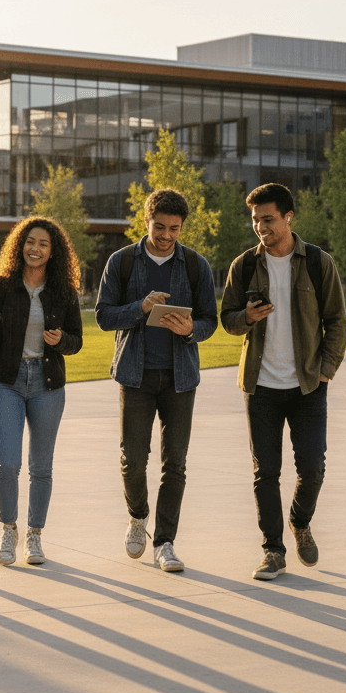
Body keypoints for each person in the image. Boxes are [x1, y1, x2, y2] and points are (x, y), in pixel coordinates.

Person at [220, 182, 346, 581]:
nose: (261, 227)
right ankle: (273, 551)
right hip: (260, 387)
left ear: (289, 217)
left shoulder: (317, 263)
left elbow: (337, 322)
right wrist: (247, 318)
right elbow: (227, 318)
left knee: (312, 469)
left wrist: (326, 369)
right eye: (256, 219)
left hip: (308, 385)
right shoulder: (243, 266)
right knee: (266, 472)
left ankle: (300, 521)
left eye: (268, 219)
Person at [95, 188, 217, 572]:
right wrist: (140, 307)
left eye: (174, 229)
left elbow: (210, 321)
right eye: (159, 227)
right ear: (146, 221)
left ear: (182, 228)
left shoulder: (197, 266)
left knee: (175, 463)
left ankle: (165, 542)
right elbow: (102, 316)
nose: (166, 235)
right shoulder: (122, 262)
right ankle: (138, 516)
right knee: (132, 459)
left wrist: (189, 329)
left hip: (181, 379)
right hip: (135, 375)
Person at [0, 217, 84, 566]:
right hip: (7, 382)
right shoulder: (0, 285)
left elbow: (76, 340)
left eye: (43, 244)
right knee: (8, 463)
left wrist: (62, 340)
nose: (35, 248)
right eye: (30, 241)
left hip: (47, 385)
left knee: (41, 467)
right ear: (20, 245)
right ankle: (8, 529)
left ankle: (34, 535)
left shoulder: (62, 290)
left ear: (53, 251)